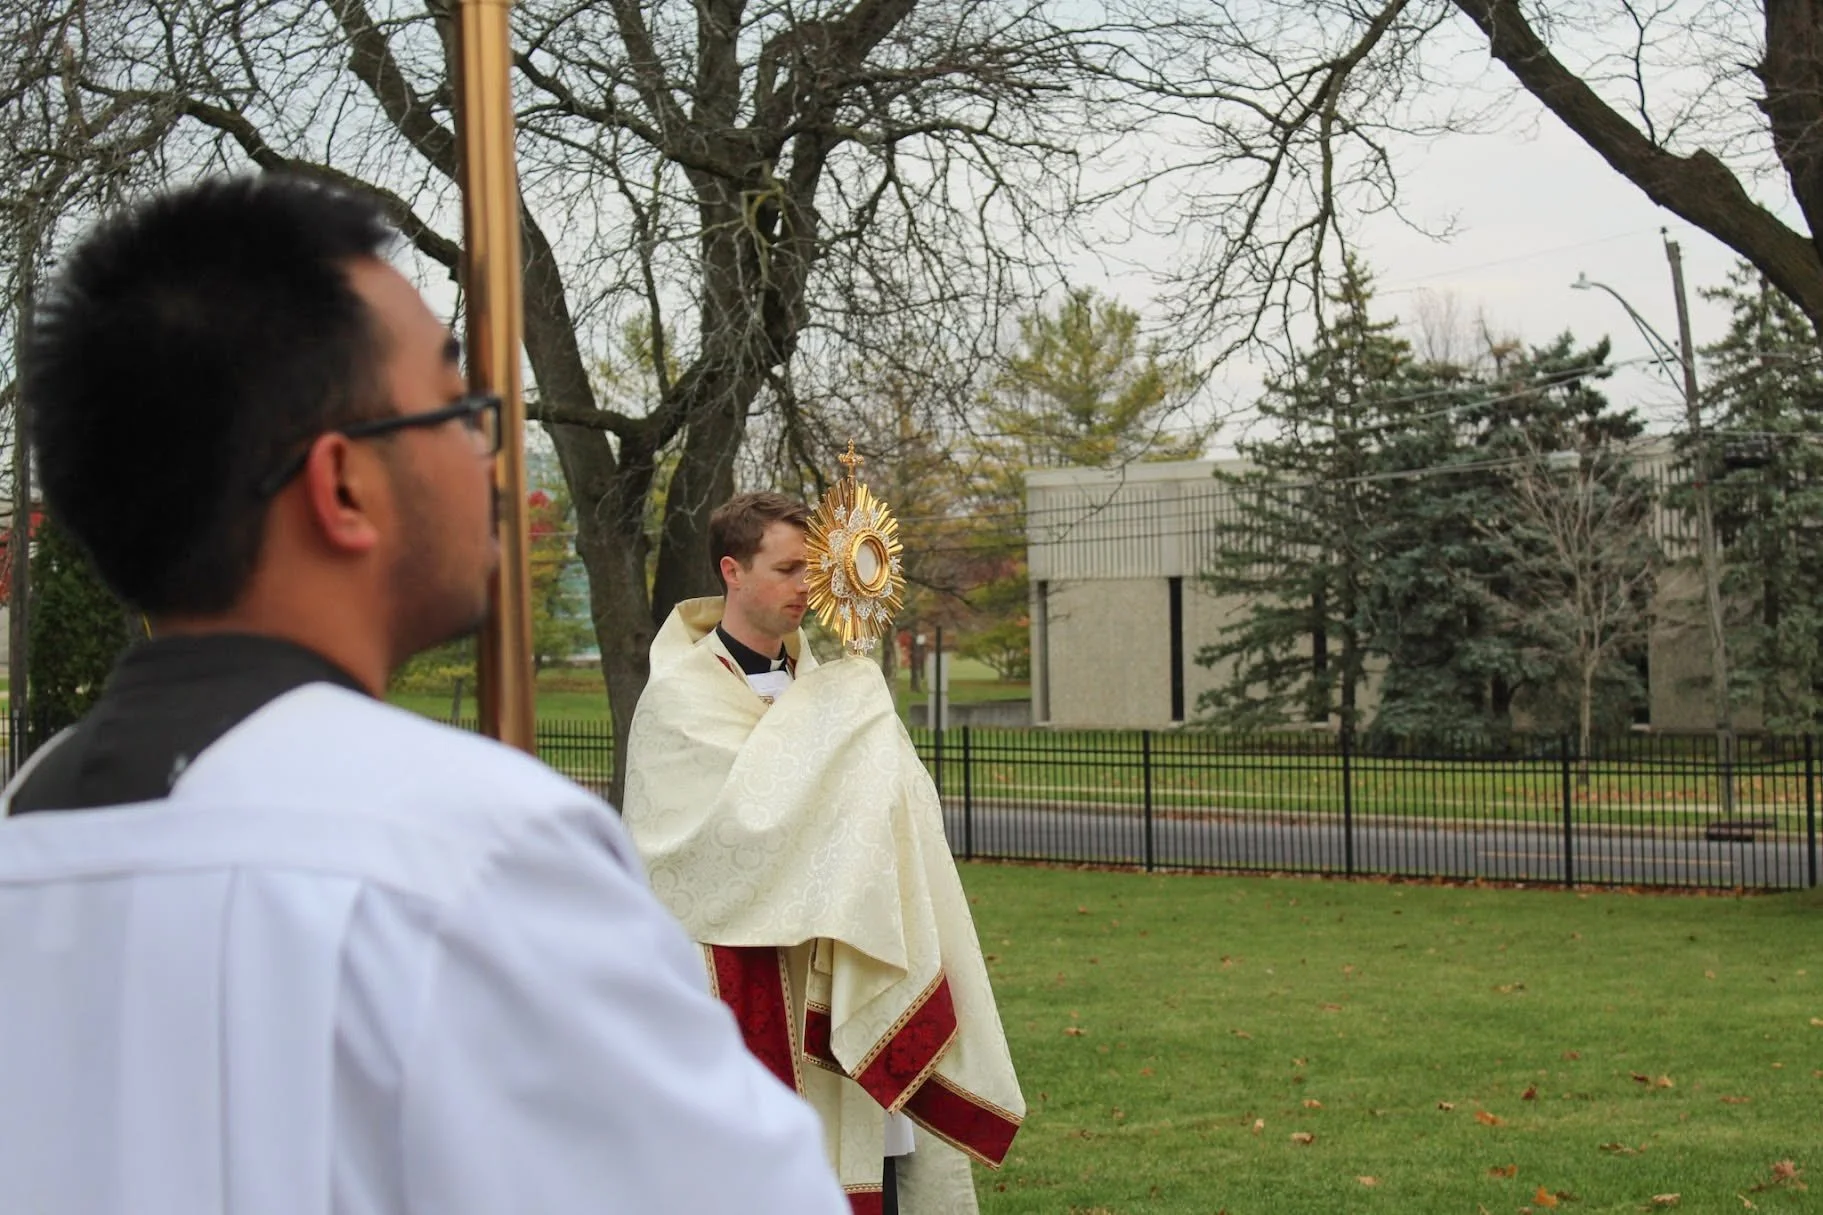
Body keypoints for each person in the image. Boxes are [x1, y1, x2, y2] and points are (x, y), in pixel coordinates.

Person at [0, 175, 846, 1214]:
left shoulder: (26, 825)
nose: (487, 454)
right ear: (343, 487)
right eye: (458, 409)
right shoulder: (472, 844)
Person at [622, 492, 1025, 1215]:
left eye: (812, 568)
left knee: (875, 1170)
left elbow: (903, 822)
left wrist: (868, 747)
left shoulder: (841, 694)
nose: (805, 587)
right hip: (738, 984)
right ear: (731, 571)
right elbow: (699, 850)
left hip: (846, 965)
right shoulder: (678, 701)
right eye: (784, 568)